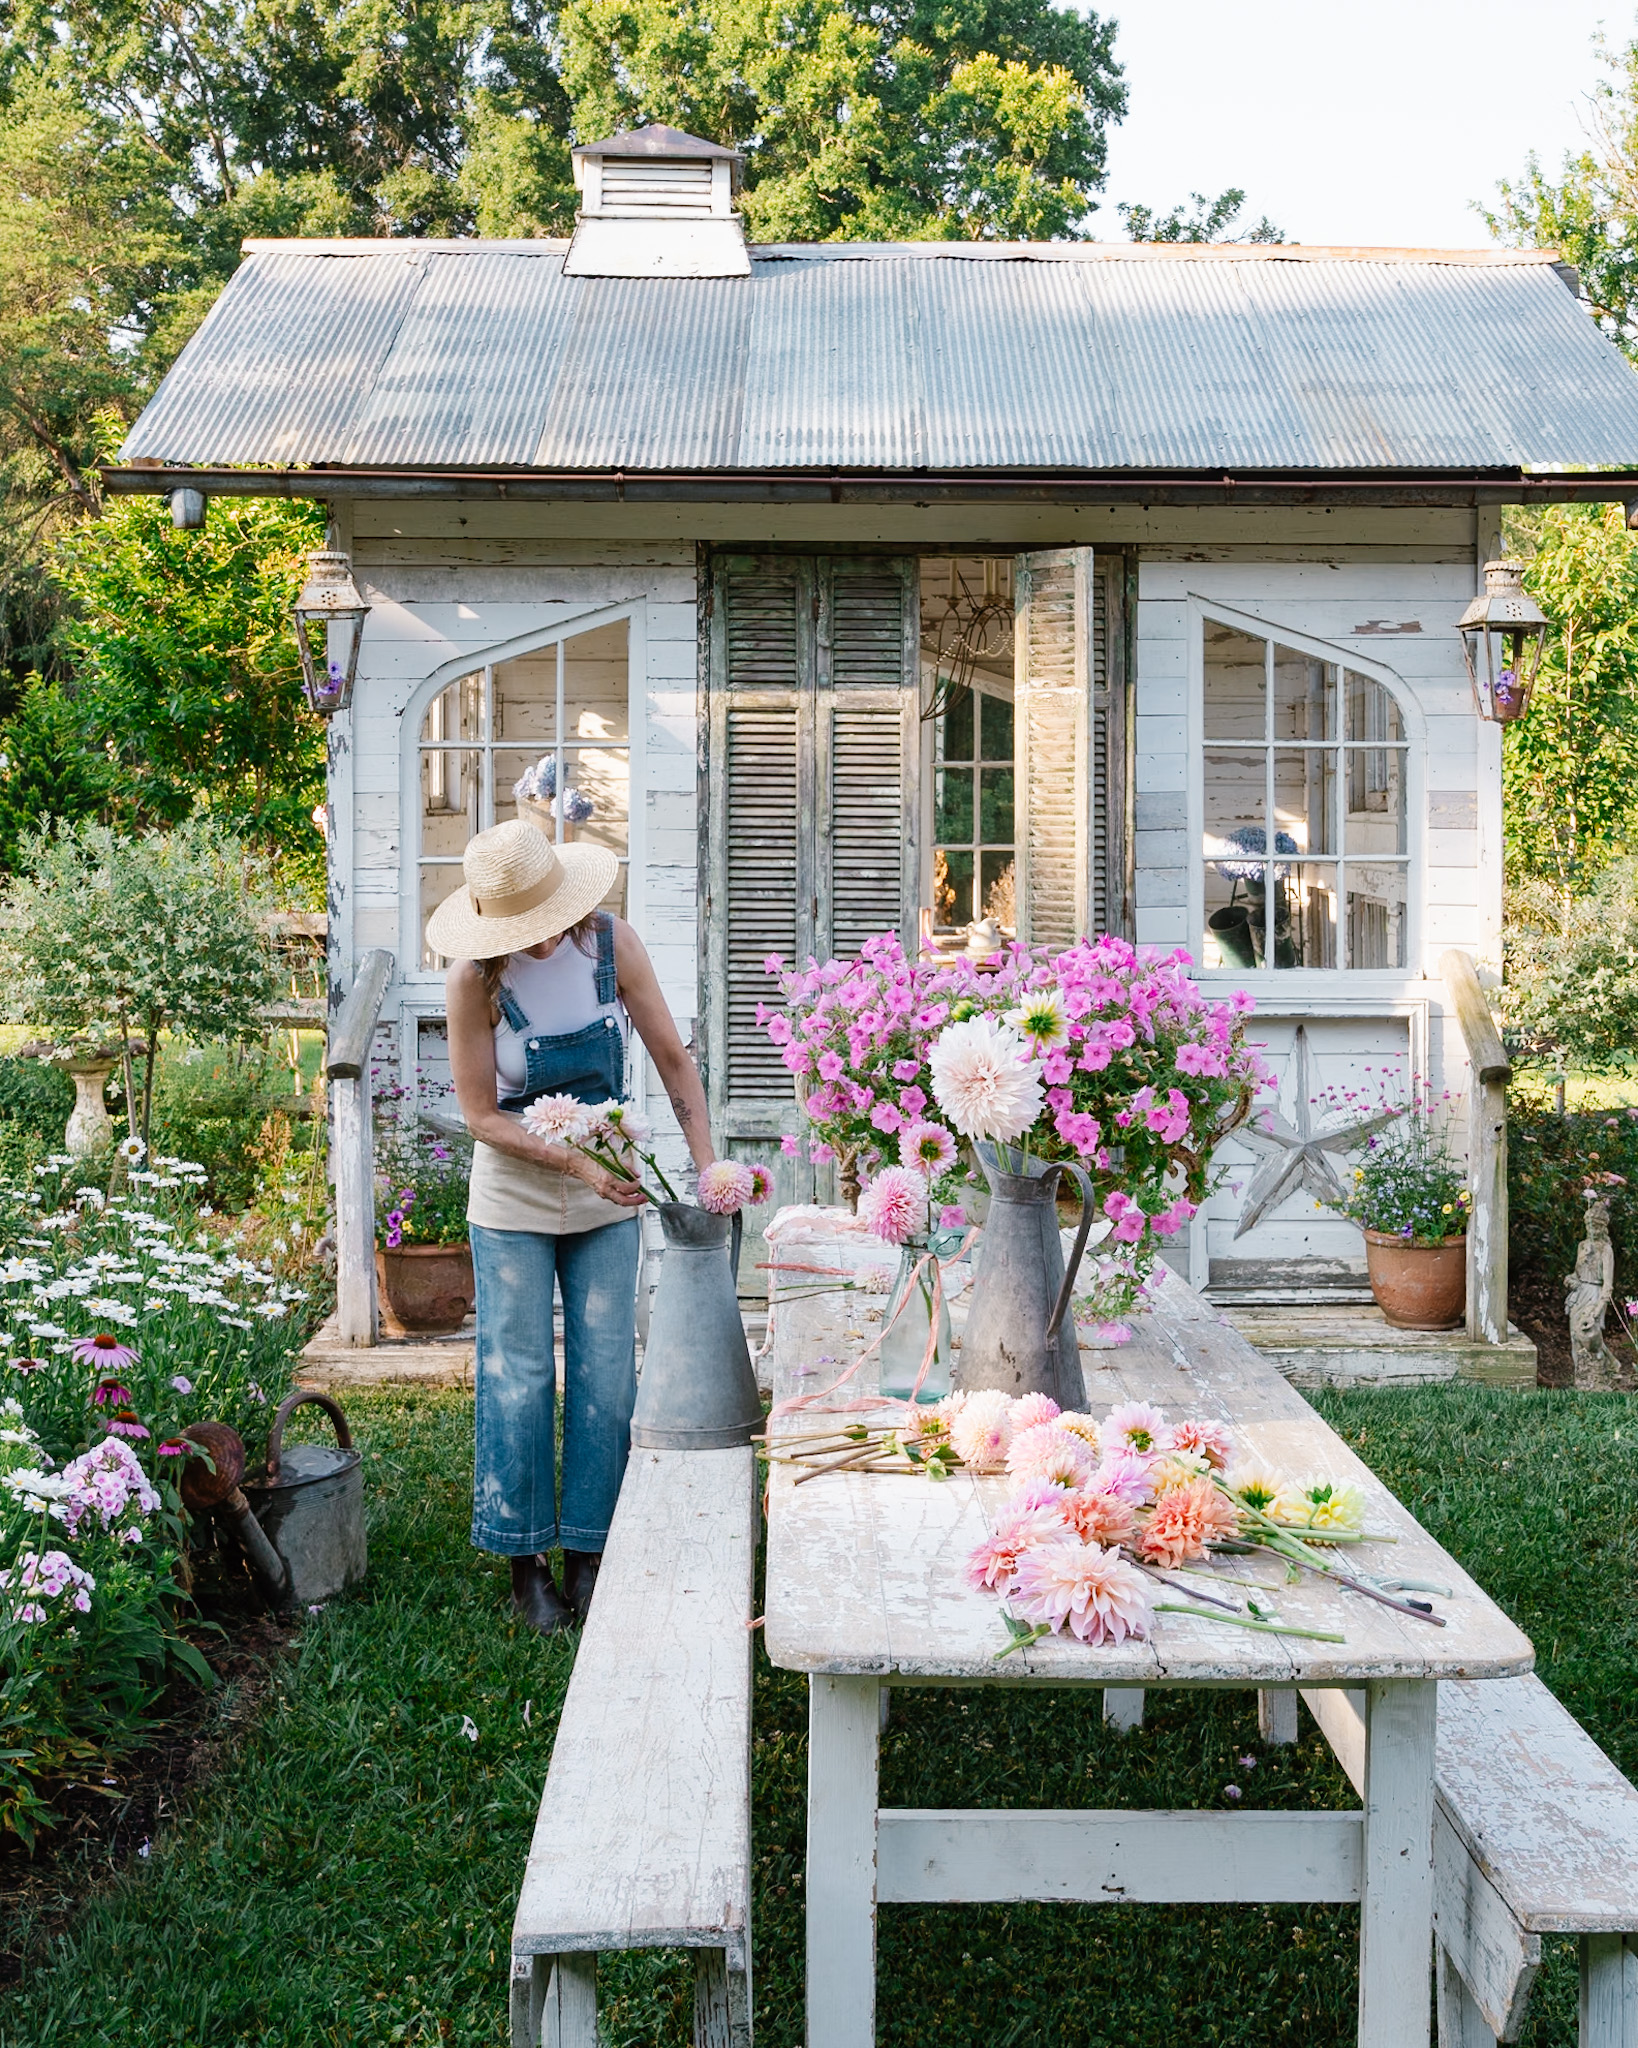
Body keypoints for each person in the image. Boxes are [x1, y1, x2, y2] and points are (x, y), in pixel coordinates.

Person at [429, 818, 716, 1634]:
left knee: (605, 1373)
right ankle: (525, 1562)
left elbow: (671, 1056)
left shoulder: (609, 944)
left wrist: (706, 1164)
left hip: (609, 1195)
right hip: (516, 1197)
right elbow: (482, 1115)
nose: (543, 935)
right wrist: (579, 1164)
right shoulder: (472, 980)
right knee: (517, 1375)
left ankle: (592, 1551)